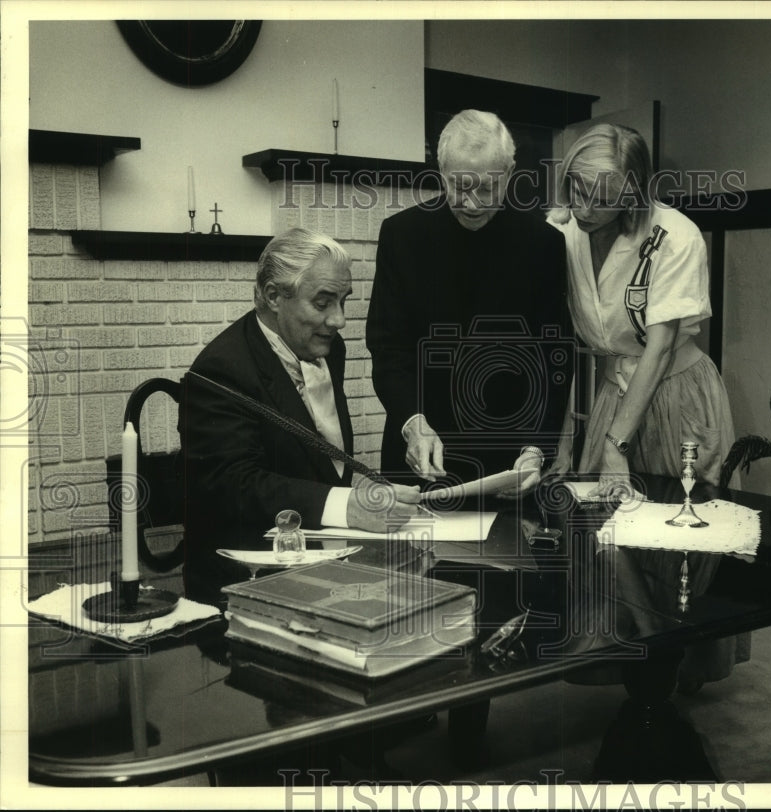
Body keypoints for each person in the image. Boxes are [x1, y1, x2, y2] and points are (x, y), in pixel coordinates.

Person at [548, 123, 742, 698]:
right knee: (607, 529)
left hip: (679, 394)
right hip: (613, 391)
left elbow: (658, 347)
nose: (584, 206)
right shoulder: (562, 230)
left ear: (632, 193)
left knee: (675, 533)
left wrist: (614, 445)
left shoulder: (675, 235)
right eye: (576, 189)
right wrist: (566, 439)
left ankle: (675, 667)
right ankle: (637, 654)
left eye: (600, 197)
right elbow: (564, 338)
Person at [180, 228, 420, 605]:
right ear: (274, 296)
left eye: (343, 301)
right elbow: (231, 486)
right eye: (323, 303)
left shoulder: (328, 347)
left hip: (320, 566)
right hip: (244, 585)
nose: (339, 321)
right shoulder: (220, 369)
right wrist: (347, 504)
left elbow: (317, 462)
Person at [366, 109, 574, 493]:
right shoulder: (402, 235)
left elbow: (554, 353)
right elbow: (387, 348)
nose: (472, 203)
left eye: (486, 188)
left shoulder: (543, 243)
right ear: (441, 172)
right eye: (459, 186)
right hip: (419, 450)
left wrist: (535, 448)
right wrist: (412, 422)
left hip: (508, 457)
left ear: (509, 174)